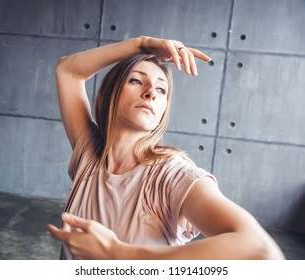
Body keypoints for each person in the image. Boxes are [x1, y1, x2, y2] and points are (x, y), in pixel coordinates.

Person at [47, 36, 285, 260]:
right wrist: (143, 44)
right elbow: (67, 70)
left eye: (161, 89)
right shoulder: (89, 155)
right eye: (136, 80)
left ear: (163, 111)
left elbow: (261, 251)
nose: (151, 92)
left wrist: (118, 254)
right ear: (111, 94)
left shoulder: (172, 175)